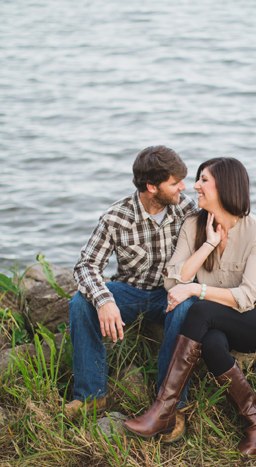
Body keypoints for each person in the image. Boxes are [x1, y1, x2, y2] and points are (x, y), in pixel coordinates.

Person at [123, 157, 256, 456]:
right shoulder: (194, 224)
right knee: (210, 342)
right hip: (215, 320)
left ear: (225, 186)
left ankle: (163, 409)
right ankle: (255, 421)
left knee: (198, 307)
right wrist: (208, 244)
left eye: (203, 180)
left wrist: (197, 288)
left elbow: (248, 297)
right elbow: (173, 282)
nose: (194, 186)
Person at [67, 145, 200, 439]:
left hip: (171, 295)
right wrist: (104, 302)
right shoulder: (116, 217)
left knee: (187, 307)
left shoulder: (187, 208)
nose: (183, 187)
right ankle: (91, 395)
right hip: (130, 292)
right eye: (175, 182)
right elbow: (86, 266)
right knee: (81, 302)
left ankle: (171, 405)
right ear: (152, 187)